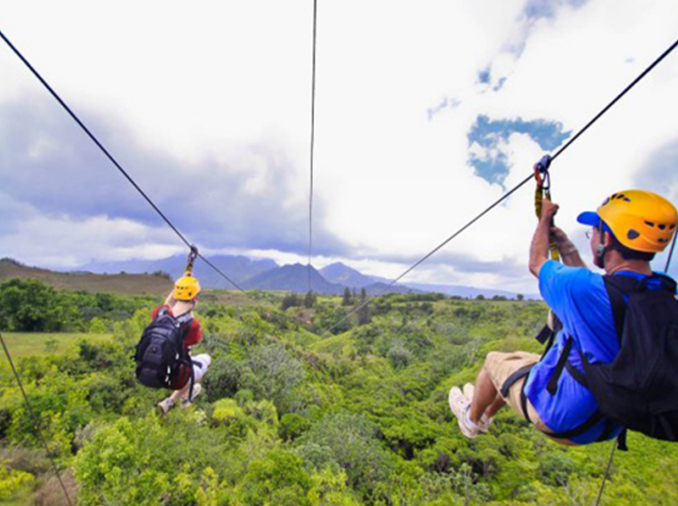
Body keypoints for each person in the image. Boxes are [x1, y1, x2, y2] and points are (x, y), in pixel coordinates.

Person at [448, 189, 678, 444]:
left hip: (563, 417)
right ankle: (488, 413)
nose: (591, 239)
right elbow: (602, 294)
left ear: (608, 239)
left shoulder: (584, 288)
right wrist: (567, 248)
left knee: (493, 361)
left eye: (595, 232)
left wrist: (544, 219)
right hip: (608, 419)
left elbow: (537, 263)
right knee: (524, 361)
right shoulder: (661, 293)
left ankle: (470, 419)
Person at [154, 272, 211, 414]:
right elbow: (193, 332)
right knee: (205, 359)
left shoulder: (160, 313)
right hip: (175, 376)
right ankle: (176, 399)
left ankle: (180, 398)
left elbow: (168, 303)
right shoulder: (193, 326)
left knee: (188, 361)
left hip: (156, 370)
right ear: (195, 298)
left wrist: (181, 285)